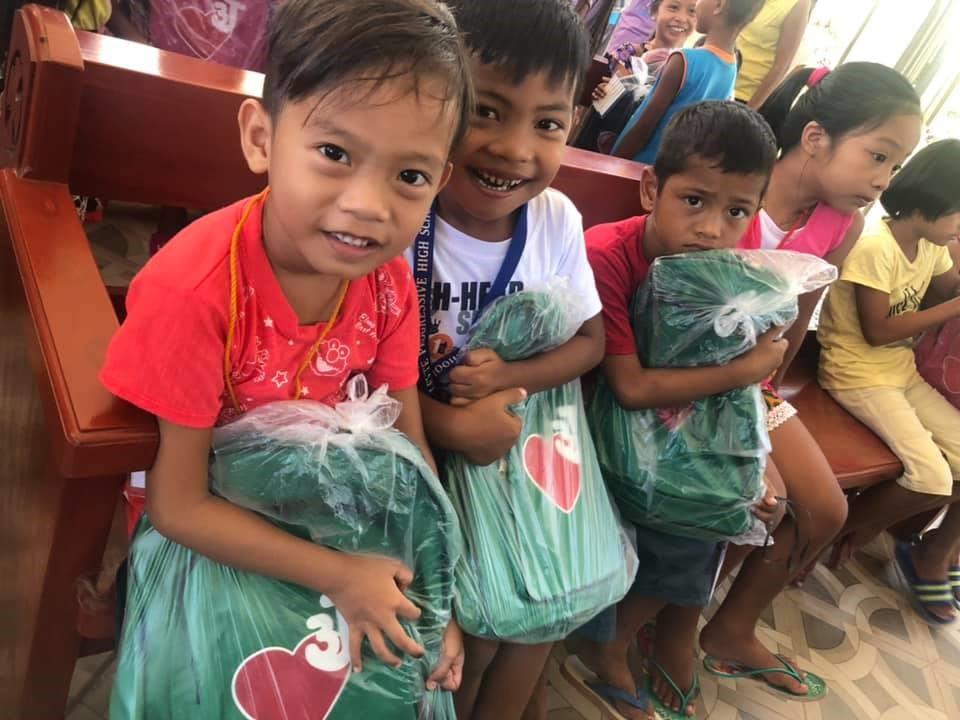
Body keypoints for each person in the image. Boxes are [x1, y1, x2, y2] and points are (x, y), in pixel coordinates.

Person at [99, 0, 473, 699]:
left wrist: (434, 605)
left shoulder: (390, 286)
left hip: (325, 528)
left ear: (440, 182)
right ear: (261, 137)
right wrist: (339, 576)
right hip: (205, 543)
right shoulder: (197, 290)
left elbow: (407, 445)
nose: (368, 203)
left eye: (410, 176)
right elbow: (177, 507)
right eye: (334, 154)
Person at [699, 62, 923, 699]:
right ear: (818, 136)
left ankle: (728, 627)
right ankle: (670, 610)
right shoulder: (734, 190)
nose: (882, 182)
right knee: (748, 493)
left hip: (752, 388)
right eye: (877, 157)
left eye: (895, 168)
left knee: (822, 510)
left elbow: (795, 326)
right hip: (684, 379)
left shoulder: (840, 226)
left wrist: (765, 398)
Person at [409, 2, 604, 718]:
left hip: (513, 464)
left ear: (572, 126)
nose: (516, 149)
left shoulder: (556, 221)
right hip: (411, 446)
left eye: (547, 123)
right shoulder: (403, 202)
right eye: (487, 111)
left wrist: (513, 376)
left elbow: (590, 343)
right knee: (474, 636)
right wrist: (448, 425)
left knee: (537, 616)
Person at [570, 101, 782, 720]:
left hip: (677, 427)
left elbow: (735, 396)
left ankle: (626, 629)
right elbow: (629, 388)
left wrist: (754, 458)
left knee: (743, 500)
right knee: (690, 517)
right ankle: (606, 642)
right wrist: (748, 369)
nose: (712, 229)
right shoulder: (608, 255)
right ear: (651, 188)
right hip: (597, 419)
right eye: (695, 200)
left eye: (736, 211)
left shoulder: (725, 274)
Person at [817, 139, 960, 625]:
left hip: (897, 372)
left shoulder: (927, 244)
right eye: (959, 215)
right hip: (855, 371)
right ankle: (839, 533)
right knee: (932, 476)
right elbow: (877, 333)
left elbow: (946, 283)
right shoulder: (877, 246)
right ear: (933, 202)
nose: (959, 227)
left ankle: (861, 530)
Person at [611, 0, 765, 164]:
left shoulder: (683, 61)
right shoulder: (731, 66)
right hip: (667, 173)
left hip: (635, 166)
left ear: (719, 5)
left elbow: (644, 125)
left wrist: (613, 163)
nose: (697, 5)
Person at [576, 0, 697, 154]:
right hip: (602, 141)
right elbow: (614, 98)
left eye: (692, 11)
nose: (681, 17)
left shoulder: (687, 70)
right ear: (654, 12)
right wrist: (605, 91)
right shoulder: (629, 54)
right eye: (673, 7)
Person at [735, 0, 812, 108]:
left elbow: (781, 65)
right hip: (722, 77)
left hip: (745, 95)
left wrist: (750, 110)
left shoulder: (798, 3)